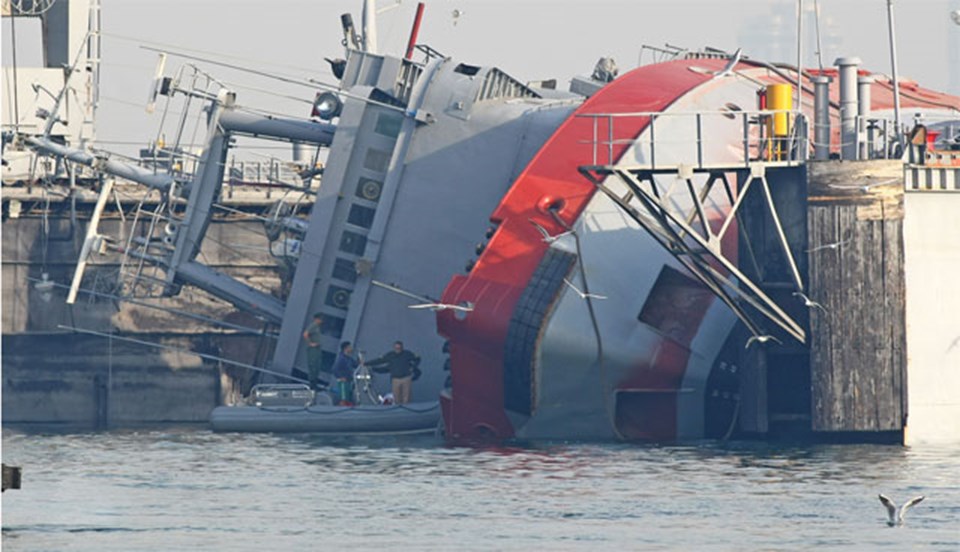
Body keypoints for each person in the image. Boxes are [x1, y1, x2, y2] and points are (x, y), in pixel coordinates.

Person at [302, 313, 325, 390]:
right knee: (313, 366)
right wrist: (310, 343)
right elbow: (305, 334)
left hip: (317, 348)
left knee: (317, 366)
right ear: (317, 319)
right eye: (320, 319)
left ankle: (315, 384)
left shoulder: (317, 327)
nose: (321, 321)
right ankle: (312, 385)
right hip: (313, 350)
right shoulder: (313, 325)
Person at [331, 341, 359, 406]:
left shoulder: (349, 358)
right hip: (343, 382)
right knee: (343, 398)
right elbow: (334, 369)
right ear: (346, 348)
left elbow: (356, 365)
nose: (352, 348)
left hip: (349, 381)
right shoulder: (341, 358)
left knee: (348, 397)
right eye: (350, 347)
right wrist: (340, 377)